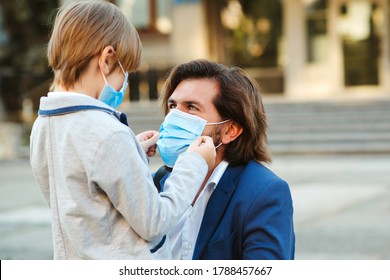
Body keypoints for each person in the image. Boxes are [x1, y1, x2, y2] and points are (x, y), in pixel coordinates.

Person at [29, 1, 215, 260]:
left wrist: (132, 150)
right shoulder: (108, 133)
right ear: (107, 59)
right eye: (124, 71)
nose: (123, 83)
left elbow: (85, 187)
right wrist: (194, 164)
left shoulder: (43, 125)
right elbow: (155, 221)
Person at [154, 59, 295, 260]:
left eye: (191, 107)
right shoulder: (154, 183)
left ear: (230, 130)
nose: (174, 117)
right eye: (172, 105)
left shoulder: (264, 193)